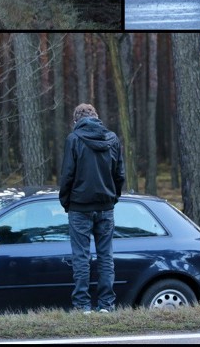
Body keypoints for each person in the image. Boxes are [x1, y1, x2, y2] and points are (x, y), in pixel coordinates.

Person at [58, 103, 125, 314]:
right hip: (105, 206)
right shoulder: (112, 139)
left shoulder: (74, 139)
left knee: (81, 257)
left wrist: (66, 202)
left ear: (75, 121)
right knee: (105, 256)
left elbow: (67, 175)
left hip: (80, 207)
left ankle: (82, 306)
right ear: (96, 117)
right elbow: (119, 175)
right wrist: (112, 198)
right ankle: (106, 306)